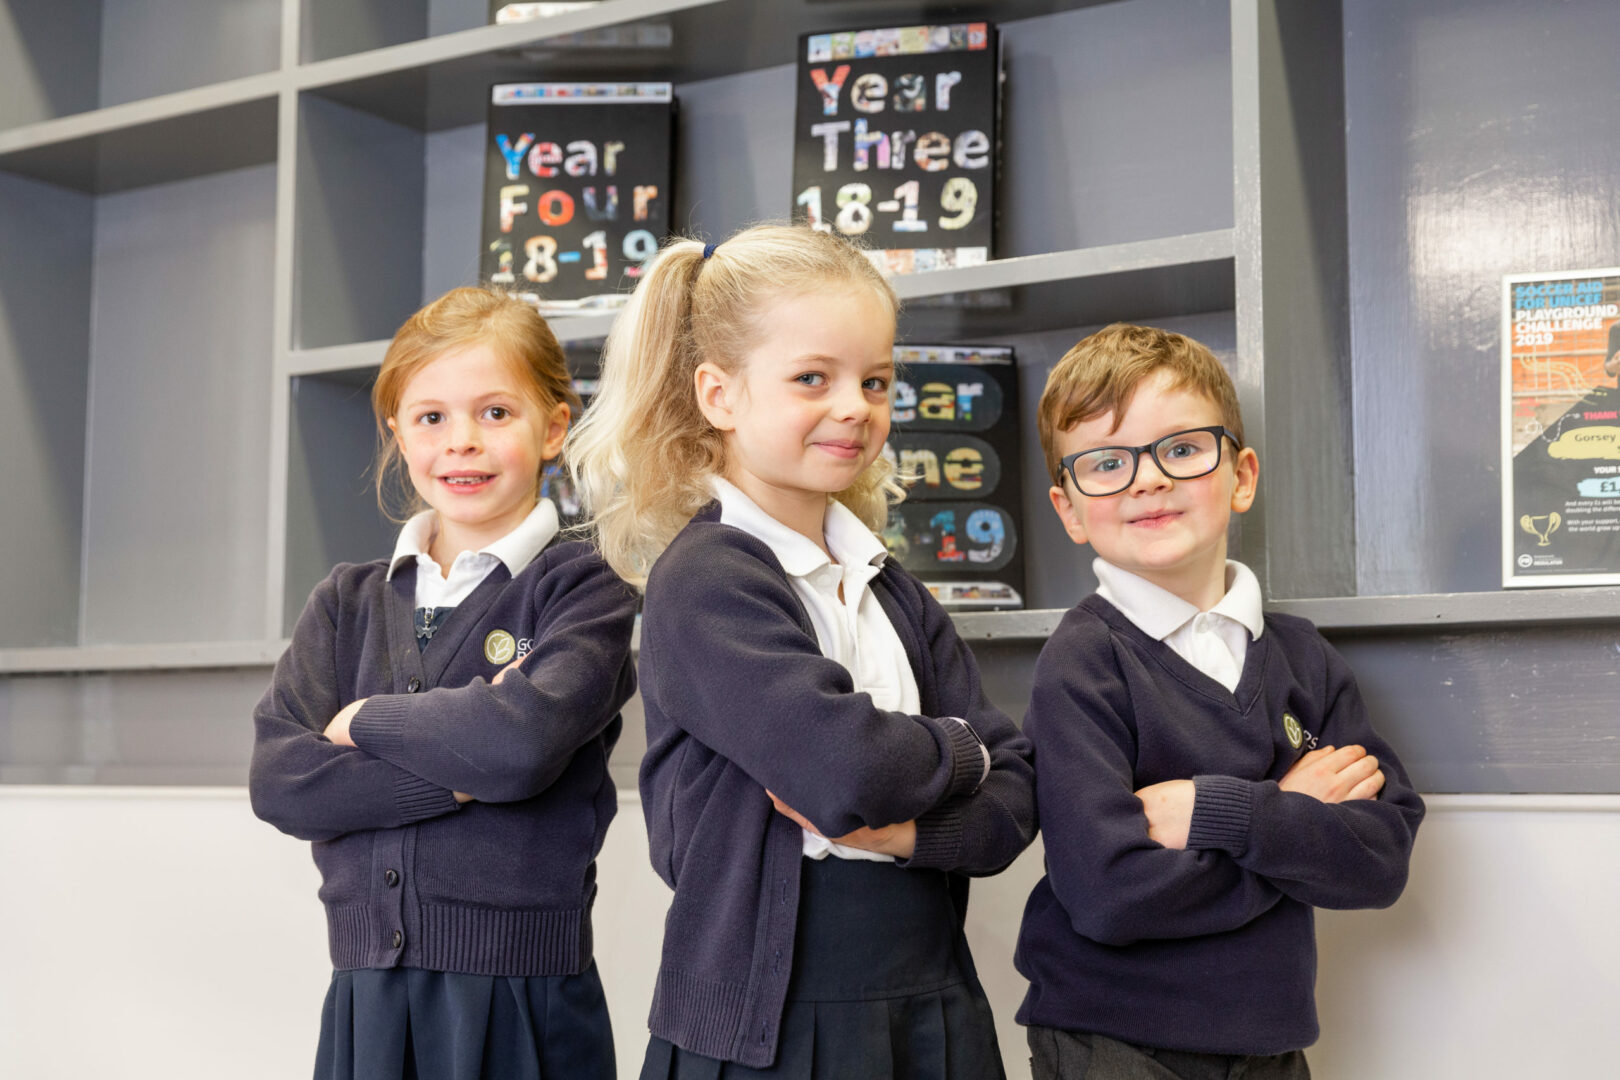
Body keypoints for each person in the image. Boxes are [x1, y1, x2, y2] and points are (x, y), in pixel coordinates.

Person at [566, 225, 1037, 1079]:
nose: (855, 405)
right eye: (813, 378)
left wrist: (904, 835)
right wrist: (963, 753)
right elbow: (843, 769)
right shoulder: (708, 577)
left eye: (876, 380)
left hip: (930, 1002)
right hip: (771, 1022)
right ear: (720, 394)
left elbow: (1015, 801)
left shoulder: (888, 581)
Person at [1015, 323, 1425, 1079]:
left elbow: (1378, 861)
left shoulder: (1305, 658)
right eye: (1106, 464)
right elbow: (1109, 894)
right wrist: (1295, 821)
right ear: (1069, 510)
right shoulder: (1083, 662)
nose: (1147, 480)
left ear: (1240, 475)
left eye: (1180, 449)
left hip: (1270, 1045)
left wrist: (1223, 813)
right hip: (1112, 1043)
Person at [250, 287, 638, 1080]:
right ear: (398, 433)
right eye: (431, 418)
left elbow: (519, 749)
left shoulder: (586, 588)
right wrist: (459, 778)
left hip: (523, 995)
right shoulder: (345, 602)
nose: (462, 442)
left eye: (496, 413)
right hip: (366, 992)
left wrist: (363, 719)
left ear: (554, 427)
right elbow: (282, 781)